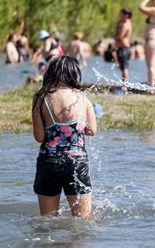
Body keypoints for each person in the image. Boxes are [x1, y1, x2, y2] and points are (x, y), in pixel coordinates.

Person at [31, 56, 97, 220]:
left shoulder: (41, 98)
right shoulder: (82, 98)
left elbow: (39, 137)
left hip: (49, 162)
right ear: (74, 74)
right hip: (77, 163)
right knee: (84, 222)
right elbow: (92, 130)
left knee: (48, 221)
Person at [114, 8, 133, 82]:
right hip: (123, 48)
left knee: (124, 68)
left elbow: (119, 37)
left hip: (124, 48)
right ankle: (124, 84)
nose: (120, 16)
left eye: (121, 14)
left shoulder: (125, 25)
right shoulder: (126, 22)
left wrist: (115, 36)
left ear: (126, 15)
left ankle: (125, 85)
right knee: (123, 68)